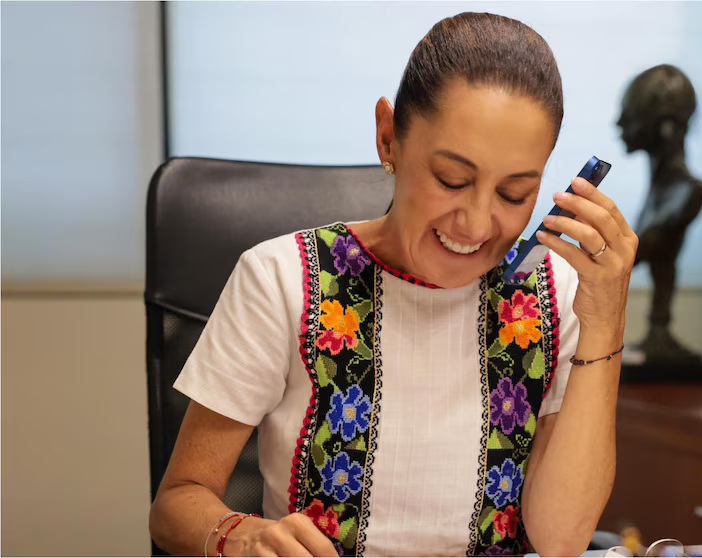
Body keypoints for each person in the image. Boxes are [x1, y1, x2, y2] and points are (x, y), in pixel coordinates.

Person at [149, 12, 637, 557]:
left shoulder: (554, 294)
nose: (476, 224)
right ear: (389, 138)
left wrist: (605, 318)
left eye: (514, 194)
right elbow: (176, 505)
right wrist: (241, 536)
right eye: (452, 180)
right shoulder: (285, 279)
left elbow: (561, 540)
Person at [617, 64, 702, 362]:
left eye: (632, 115)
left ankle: (660, 328)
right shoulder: (657, 192)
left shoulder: (688, 192)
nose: (619, 123)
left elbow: (637, 254)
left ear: (665, 124)